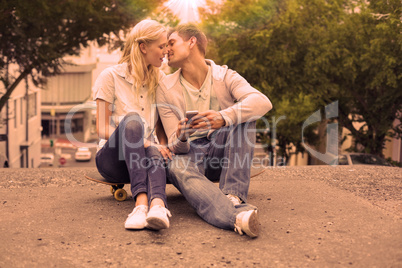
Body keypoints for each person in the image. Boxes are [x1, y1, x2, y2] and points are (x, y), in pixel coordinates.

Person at [156, 24, 272, 237]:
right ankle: (237, 215)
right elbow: (175, 144)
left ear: (192, 42)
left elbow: (262, 102)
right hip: (191, 156)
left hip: (223, 155)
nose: (166, 50)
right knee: (174, 165)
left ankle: (232, 196)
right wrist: (182, 135)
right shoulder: (165, 87)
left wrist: (224, 117)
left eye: (171, 43)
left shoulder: (225, 76)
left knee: (245, 117)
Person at [93, 20, 173, 230]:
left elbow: (161, 127)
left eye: (166, 46)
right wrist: (147, 144)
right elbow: (101, 128)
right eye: (161, 46)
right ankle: (140, 204)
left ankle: (157, 206)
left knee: (154, 149)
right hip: (113, 160)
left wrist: (161, 145)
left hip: (144, 159)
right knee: (132, 121)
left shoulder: (161, 79)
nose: (166, 51)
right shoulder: (109, 77)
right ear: (143, 47)